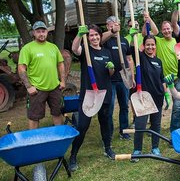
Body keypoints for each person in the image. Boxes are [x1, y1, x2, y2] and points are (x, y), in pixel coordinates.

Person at [69, 24, 115, 171]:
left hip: (104, 94)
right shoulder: (86, 52)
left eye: (97, 35)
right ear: (87, 38)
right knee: (82, 126)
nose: (94, 37)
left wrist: (111, 68)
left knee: (105, 122)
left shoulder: (107, 52)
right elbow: (75, 49)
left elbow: (111, 74)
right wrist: (78, 35)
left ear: (100, 36)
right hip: (89, 94)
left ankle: (108, 148)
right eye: (91, 35)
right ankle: (73, 156)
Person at [18, 21, 65, 129]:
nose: (41, 34)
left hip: (54, 87)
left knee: (57, 112)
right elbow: (21, 68)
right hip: (37, 89)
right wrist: (29, 86)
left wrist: (62, 81)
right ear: (33, 33)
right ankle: (34, 140)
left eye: (43, 31)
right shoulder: (27, 48)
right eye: (38, 31)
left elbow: (60, 64)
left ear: (47, 32)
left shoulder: (53, 47)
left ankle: (59, 136)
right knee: (34, 116)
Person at [130, 35, 168, 162]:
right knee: (140, 125)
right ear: (144, 46)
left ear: (155, 46)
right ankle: (137, 149)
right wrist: (132, 36)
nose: (150, 47)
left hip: (158, 97)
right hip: (144, 98)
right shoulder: (141, 58)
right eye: (148, 44)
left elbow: (161, 78)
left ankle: (155, 147)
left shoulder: (159, 61)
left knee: (156, 125)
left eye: (152, 44)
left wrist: (166, 94)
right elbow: (132, 48)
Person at [102, 16, 135, 140]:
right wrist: (111, 32)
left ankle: (124, 131)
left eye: (116, 25)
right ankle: (109, 133)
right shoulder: (105, 40)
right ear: (107, 26)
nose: (115, 27)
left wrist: (131, 76)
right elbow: (99, 40)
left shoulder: (124, 41)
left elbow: (129, 59)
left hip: (123, 78)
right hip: (109, 79)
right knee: (109, 107)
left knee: (124, 106)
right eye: (111, 25)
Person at [155, 19, 179, 110]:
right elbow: (148, 34)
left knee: (177, 102)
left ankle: (176, 123)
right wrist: (148, 18)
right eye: (164, 29)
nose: (166, 31)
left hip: (176, 76)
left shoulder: (177, 41)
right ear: (161, 31)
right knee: (159, 100)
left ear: (172, 29)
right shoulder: (159, 41)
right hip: (162, 77)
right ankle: (166, 97)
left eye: (168, 28)